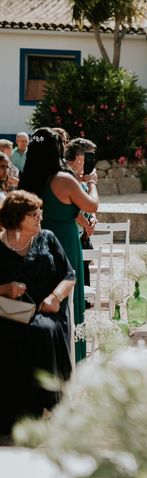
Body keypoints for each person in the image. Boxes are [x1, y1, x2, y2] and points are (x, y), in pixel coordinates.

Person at [19, 128, 99, 362]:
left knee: (41, 296)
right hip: (63, 243)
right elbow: (92, 205)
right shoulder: (63, 179)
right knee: (69, 300)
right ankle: (71, 358)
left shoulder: (28, 180)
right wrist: (91, 183)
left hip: (35, 244)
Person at [0, 190, 75, 435]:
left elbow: (69, 274)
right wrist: (5, 288)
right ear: (16, 216)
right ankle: (12, 412)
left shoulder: (48, 238)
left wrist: (55, 297)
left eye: (39, 212)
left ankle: (45, 406)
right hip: (9, 313)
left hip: (47, 311)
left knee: (40, 331)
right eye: (33, 214)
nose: (39, 217)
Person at [64, 138, 99, 289]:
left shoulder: (80, 177)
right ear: (79, 157)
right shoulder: (67, 176)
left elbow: (88, 206)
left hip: (81, 236)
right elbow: (71, 209)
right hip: (70, 236)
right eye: (89, 156)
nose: (91, 160)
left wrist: (92, 219)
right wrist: (93, 182)